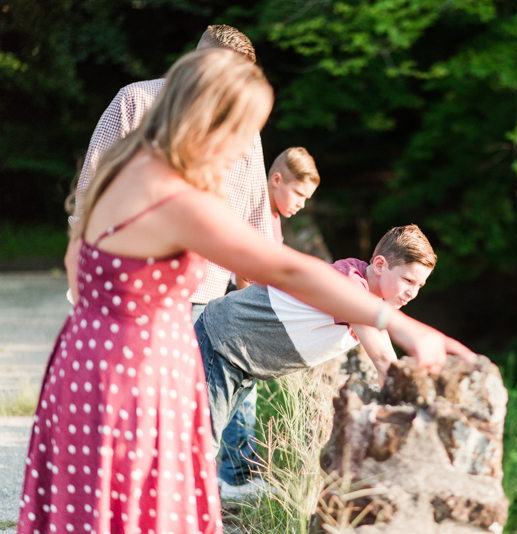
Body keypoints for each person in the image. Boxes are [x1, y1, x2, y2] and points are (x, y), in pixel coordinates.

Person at [17, 48, 473, 534]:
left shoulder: (119, 175)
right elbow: (287, 269)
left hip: (86, 360)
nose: (243, 151)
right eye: (240, 130)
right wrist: (402, 324)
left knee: (96, 508)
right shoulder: (174, 197)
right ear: (202, 116)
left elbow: (78, 271)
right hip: (135, 374)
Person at [199, 224, 434, 492]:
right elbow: (383, 360)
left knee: (205, 439)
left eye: (420, 284)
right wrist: (411, 416)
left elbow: (389, 361)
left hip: (241, 359)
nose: (413, 292)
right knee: (200, 441)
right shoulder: (350, 288)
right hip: (220, 342)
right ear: (379, 265)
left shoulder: (370, 300)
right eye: (407, 280)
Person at [66, 24, 273, 319]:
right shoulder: (135, 101)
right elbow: (90, 191)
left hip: (207, 299)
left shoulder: (247, 130)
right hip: (124, 285)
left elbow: (256, 221)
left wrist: (243, 309)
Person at [217, 146, 320, 498]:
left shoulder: (273, 219)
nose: (302, 204)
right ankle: (234, 477)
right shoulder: (255, 210)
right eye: (300, 194)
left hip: (241, 317)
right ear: (276, 180)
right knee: (238, 396)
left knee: (244, 395)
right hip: (233, 315)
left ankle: (236, 471)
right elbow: (244, 270)